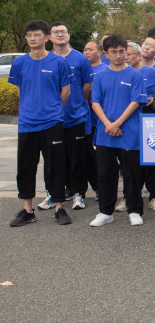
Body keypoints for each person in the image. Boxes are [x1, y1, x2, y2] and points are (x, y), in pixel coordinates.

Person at [9, 20, 74, 227]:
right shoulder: (19, 63)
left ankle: (59, 207)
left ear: (46, 38)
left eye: (36, 35)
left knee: (55, 166)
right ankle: (27, 210)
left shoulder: (59, 62)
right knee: (26, 166)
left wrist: (53, 109)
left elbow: (66, 92)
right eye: (29, 35)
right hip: (27, 123)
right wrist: (29, 108)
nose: (32, 38)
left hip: (52, 122)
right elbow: (21, 90)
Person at [88, 35, 148, 227]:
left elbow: (135, 101)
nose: (119, 55)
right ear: (105, 54)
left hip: (129, 132)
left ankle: (135, 210)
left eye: (122, 52)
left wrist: (118, 123)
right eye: (114, 52)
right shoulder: (100, 76)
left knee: (132, 173)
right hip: (105, 133)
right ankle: (106, 211)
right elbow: (95, 102)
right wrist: (108, 124)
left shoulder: (134, 75)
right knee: (105, 173)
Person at [49, 22, 94, 211]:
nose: (60, 35)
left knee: (78, 158)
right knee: (56, 158)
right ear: (49, 37)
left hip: (75, 115)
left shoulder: (80, 59)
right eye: (56, 32)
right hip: (52, 118)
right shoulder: (46, 59)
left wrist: (75, 102)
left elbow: (87, 86)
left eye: (63, 32)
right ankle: (58, 192)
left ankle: (78, 193)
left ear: (69, 35)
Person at [126, 41, 155, 211]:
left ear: (138, 55)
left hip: (149, 118)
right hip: (128, 120)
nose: (124, 57)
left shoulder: (153, 71)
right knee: (129, 162)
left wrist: (151, 99)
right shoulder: (121, 74)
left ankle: (154, 196)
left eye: (128, 54)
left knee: (152, 160)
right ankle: (130, 196)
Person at [82, 40, 109, 199]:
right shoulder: (82, 67)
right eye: (85, 49)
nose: (86, 52)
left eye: (90, 49)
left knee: (102, 158)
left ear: (100, 52)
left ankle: (102, 188)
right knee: (88, 157)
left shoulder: (105, 70)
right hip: (86, 121)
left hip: (102, 121)